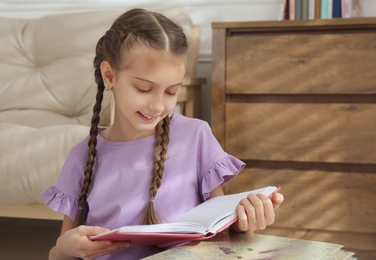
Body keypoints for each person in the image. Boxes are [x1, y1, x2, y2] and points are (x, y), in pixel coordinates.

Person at [42, 8, 284, 260]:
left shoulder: (196, 136)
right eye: (144, 88)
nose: (158, 106)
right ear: (109, 76)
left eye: (171, 92)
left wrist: (246, 221)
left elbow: (219, 234)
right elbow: (59, 254)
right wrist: (64, 249)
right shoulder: (82, 157)